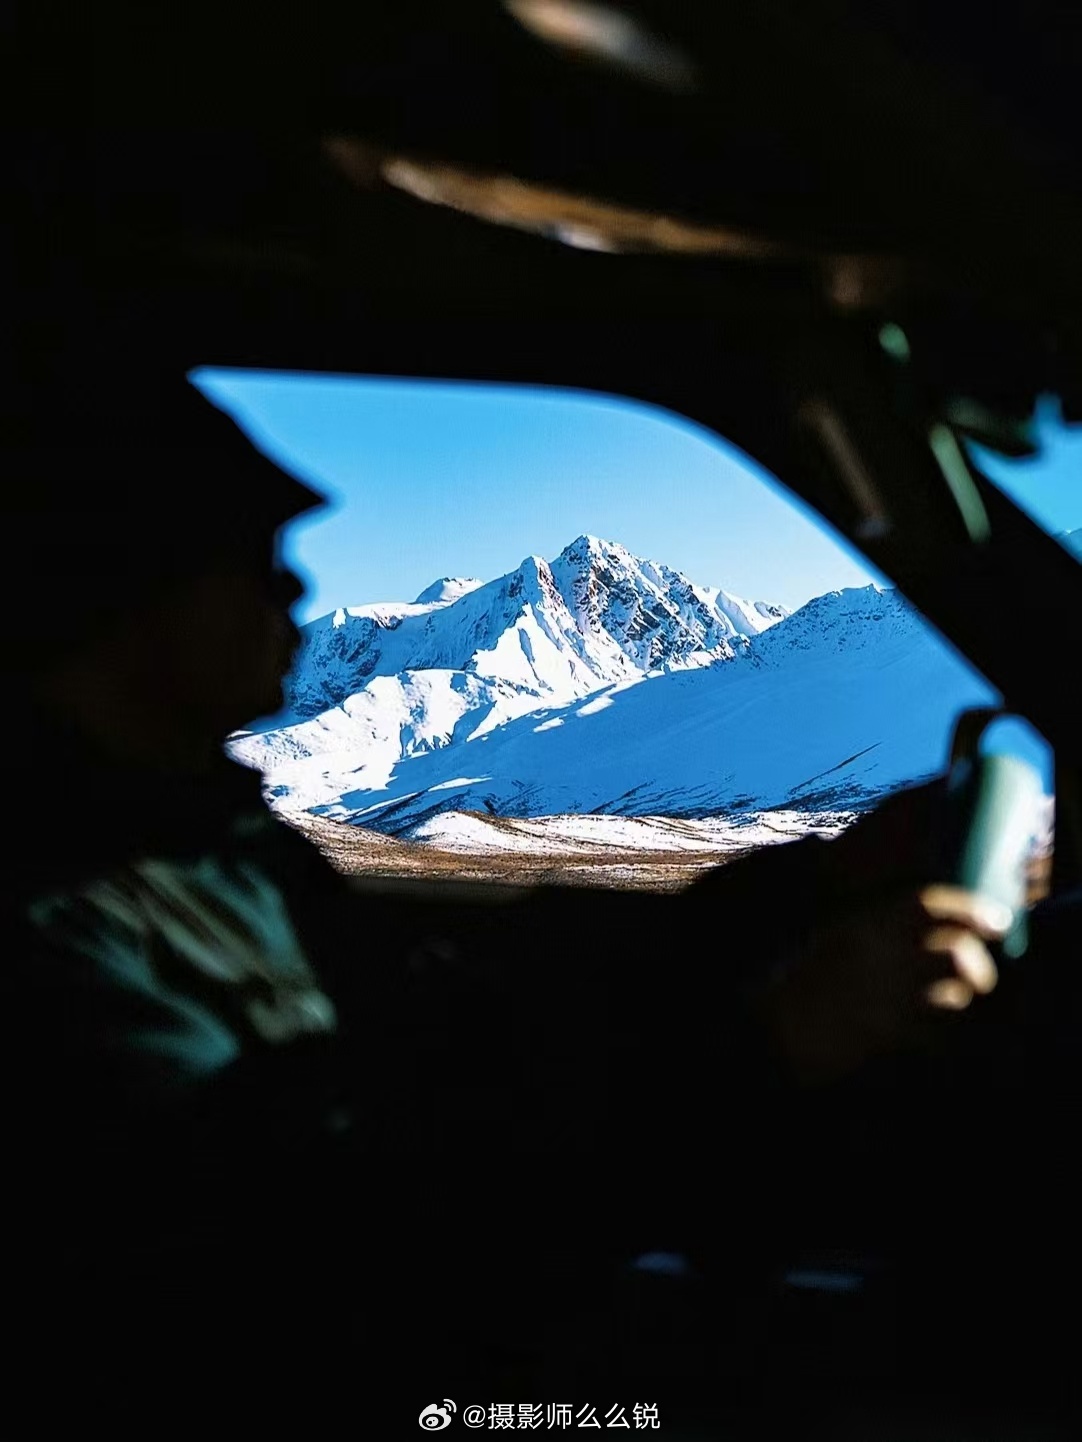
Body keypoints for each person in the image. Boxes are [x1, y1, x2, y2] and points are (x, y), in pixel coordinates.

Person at [5, 378, 1014, 1416]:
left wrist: (807, 883)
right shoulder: (53, 922)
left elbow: (475, 998)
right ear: (125, 585)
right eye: (251, 562)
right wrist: (762, 1046)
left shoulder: (211, 849)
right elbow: (334, 1238)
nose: (294, 590)